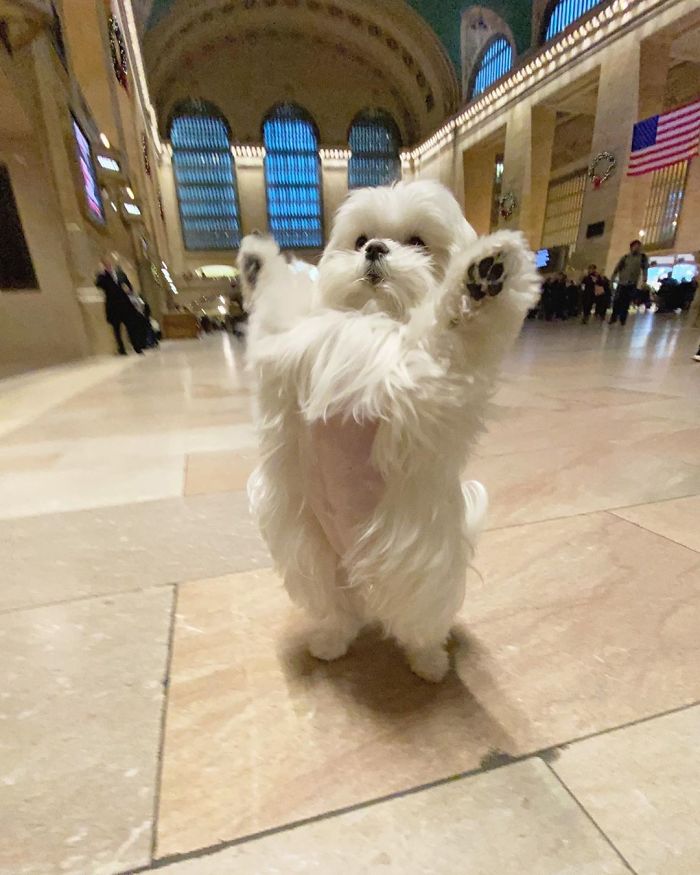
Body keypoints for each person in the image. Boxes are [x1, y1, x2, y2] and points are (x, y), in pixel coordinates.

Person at [95, 255, 144, 354]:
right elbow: (99, 285)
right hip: (113, 306)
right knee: (116, 329)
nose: (107, 265)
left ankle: (137, 346)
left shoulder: (119, 274)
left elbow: (129, 286)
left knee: (130, 326)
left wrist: (128, 290)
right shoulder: (102, 276)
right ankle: (121, 349)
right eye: (105, 264)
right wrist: (102, 273)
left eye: (108, 263)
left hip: (124, 304)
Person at [610, 240, 648, 326]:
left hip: (632, 283)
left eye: (638, 246)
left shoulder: (642, 258)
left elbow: (645, 269)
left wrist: (645, 279)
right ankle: (614, 317)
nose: (637, 248)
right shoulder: (625, 257)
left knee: (626, 302)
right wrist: (613, 277)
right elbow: (618, 268)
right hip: (622, 282)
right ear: (631, 247)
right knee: (617, 300)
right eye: (635, 246)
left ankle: (623, 319)